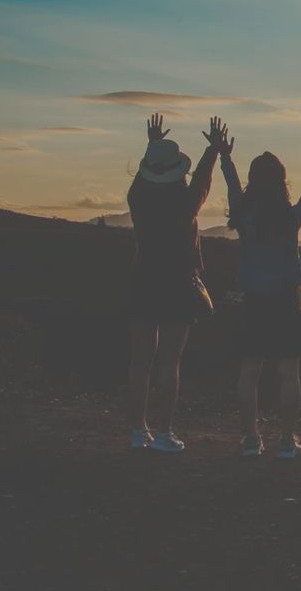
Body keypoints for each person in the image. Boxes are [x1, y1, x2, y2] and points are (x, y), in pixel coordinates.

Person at [221, 124, 301, 459]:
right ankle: (286, 440)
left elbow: (231, 185)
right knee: (288, 373)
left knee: (250, 371)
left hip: (255, 299)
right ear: (282, 181)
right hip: (286, 299)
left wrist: (225, 156)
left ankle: (251, 440)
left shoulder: (243, 214)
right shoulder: (289, 217)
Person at [125, 114, 227, 452]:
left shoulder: (137, 196)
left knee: (141, 360)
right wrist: (213, 148)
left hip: (143, 278)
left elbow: (148, 176)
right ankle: (165, 431)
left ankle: (138, 430)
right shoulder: (186, 203)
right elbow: (202, 180)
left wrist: (151, 144)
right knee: (170, 360)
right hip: (178, 282)